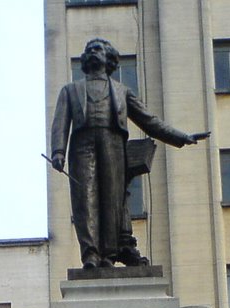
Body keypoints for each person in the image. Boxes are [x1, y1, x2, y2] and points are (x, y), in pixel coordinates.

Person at [50, 38, 207, 269]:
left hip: (112, 142)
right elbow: (60, 123)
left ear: (109, 59)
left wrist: (179, 137)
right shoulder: (70, 90)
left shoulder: (122, 91)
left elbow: (148, 120)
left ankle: (109, 255)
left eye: (99, 49)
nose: (93, 52)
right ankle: (90, 254)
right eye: (89, 50)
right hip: (82, 145)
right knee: (85, 199)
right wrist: (58, 151)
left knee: (112, 199)